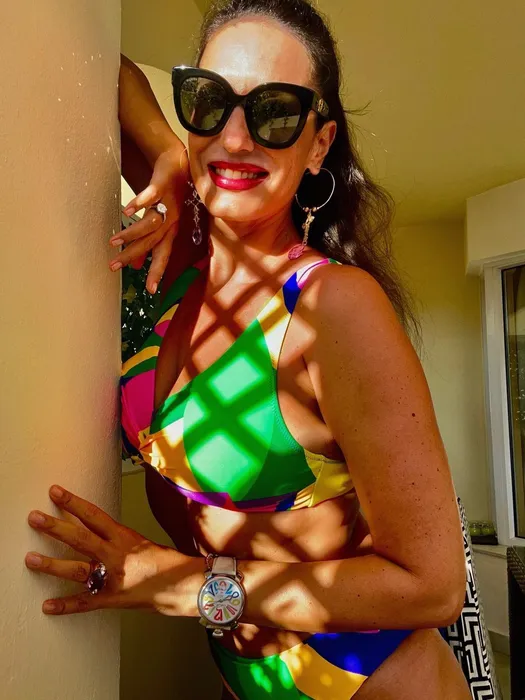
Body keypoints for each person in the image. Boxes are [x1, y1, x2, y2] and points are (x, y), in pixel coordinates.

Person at [25, 1, 473, 698]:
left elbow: (433, 587)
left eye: (275, 113)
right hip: (243, 677)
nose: (235, 137)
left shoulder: (331, 306)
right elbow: (90, 61)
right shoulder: (179, 256)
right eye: (209, 102)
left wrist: (179, 584)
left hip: (367, 680)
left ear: (318, 145)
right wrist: (171, 154)